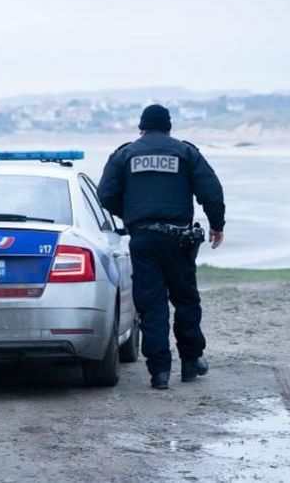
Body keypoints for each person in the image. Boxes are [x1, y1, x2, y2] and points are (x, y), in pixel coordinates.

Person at [97, 104, 225, 389]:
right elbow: (211, 191)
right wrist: (217, 225)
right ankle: (191, 362)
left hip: (143, 238)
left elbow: (104, 195)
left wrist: (131, 216)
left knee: (152, 304)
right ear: (169, 127)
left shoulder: (125, 154)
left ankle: (159, 373)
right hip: (179, 239)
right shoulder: (185, 152)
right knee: (185, 299)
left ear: (141, 128)